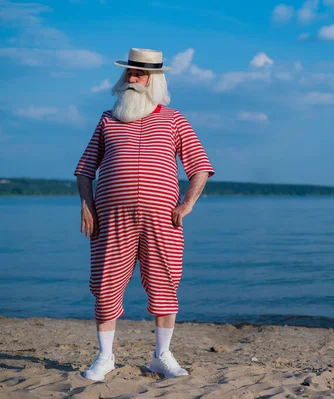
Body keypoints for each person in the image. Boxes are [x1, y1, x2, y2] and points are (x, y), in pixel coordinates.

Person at [74, 48, 215, 381]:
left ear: (154, 80)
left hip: (162, 219)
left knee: (165, 283)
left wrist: (188, 204)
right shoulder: (108, 119)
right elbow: (84, 170)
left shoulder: (175, 119)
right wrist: (85, 204)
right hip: (111, 220)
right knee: (106, 285)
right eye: (129, 73)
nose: (132, 79)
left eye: (139, 74)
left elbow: (200, 167)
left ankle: (162, 356)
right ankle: (105, 358)